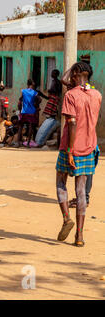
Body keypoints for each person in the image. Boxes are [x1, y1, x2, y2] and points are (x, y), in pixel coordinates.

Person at [55, 61, 101, 247]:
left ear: (75, 73)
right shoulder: (97, 94)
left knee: (60, 182)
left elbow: (72, 123)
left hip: (70, 147)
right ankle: (79, 236)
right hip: (90, 147)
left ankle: (67, 219)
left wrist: (70, 151)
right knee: (81, 191)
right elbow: (70, 80)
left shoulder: (71, 95)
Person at [34, 69, 62, 147]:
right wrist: (42, 94)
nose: (51, 74)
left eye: (53, 73)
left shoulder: (57, 82)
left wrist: (51, 91)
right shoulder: (53, 81)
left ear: (56, 74)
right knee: (49, 113)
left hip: (54, 98)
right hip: (51, 98)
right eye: (52, 73)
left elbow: (58, 91)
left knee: (52, 113)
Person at [16, 79, 41, 148]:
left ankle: (18, 142)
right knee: (31, 127)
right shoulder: (34, 93)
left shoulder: (23, 91)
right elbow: (40, 100)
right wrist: (35, 105)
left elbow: (20, 100)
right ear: (32, 85)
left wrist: (19, 108)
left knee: (21, 126)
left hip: (24, 111)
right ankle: (28, 143)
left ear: (27, 84)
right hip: (32, 111)